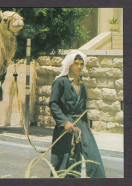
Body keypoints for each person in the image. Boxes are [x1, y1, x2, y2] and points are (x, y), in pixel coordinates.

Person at [49, 50, 106, 178]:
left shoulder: (83, 85)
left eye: (81, 64)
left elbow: (83, 108)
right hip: (66, 125)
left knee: (93, 156)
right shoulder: (60, 82)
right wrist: (64, 122)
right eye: (76, 63)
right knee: (66, 159)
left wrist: (86, 128)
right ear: (70, 65)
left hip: (81, 124)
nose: (79, 66)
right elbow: (53, 104)